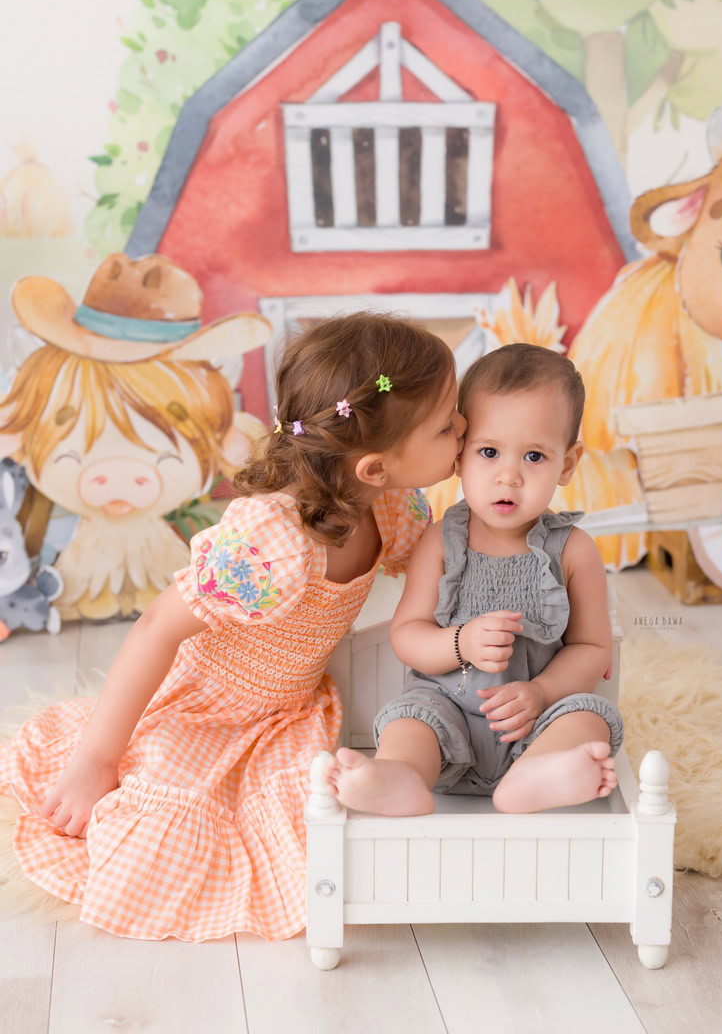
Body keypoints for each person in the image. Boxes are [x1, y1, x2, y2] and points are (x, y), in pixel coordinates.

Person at [0, 312, 465, 941]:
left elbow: (449, 565)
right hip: (204, 707)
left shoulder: (392, 506)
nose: (465, 430)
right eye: (448, 425)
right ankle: (96, 758)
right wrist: (96, 759)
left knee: (307, 813)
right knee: (166, 821)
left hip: (289, 710)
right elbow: (155, 631)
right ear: (375, 467)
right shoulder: (273, 542)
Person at [324, 343, 623, 817]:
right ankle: (400, 776)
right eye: (489, 451)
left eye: (534, 457)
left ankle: (535, 776)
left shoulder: (574, 550)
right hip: (449, 712)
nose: (509, 477)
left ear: (567, 464)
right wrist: (460, 642)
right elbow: (407, 635)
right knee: (410, 720)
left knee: (589, 718)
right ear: (460, 456)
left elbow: (592, 649)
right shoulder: (442, 541)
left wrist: (542, 693)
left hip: (538, 716)